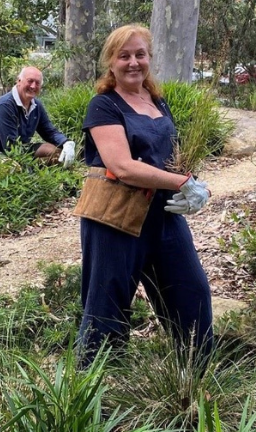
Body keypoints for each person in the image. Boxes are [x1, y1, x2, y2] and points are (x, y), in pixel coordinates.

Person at [78, 24, 213, 364]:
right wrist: (181, 183)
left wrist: (193, 181)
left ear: (150, 58)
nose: (133, 62)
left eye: (140, 54)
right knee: (106, 307)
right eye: (124, 56)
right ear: (111, 63)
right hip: (116, 219)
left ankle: (197, 376)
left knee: (191, 293)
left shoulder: (157, 101)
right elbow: (122, 166)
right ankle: (97, 389)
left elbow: (169, 158)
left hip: (163, 216)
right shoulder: (103, 106)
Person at [0, 66, 76, 167]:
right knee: (12, 167)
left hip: (21, 149)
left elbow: (49, 131)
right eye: (30, 81)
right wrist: (31, 170)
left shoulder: (36, 106)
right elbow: (10, 148)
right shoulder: (6, 105)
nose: (33, 86)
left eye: (37, 83)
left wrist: (66, 143)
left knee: (57, 154)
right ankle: (30, 176)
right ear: (19, 81)